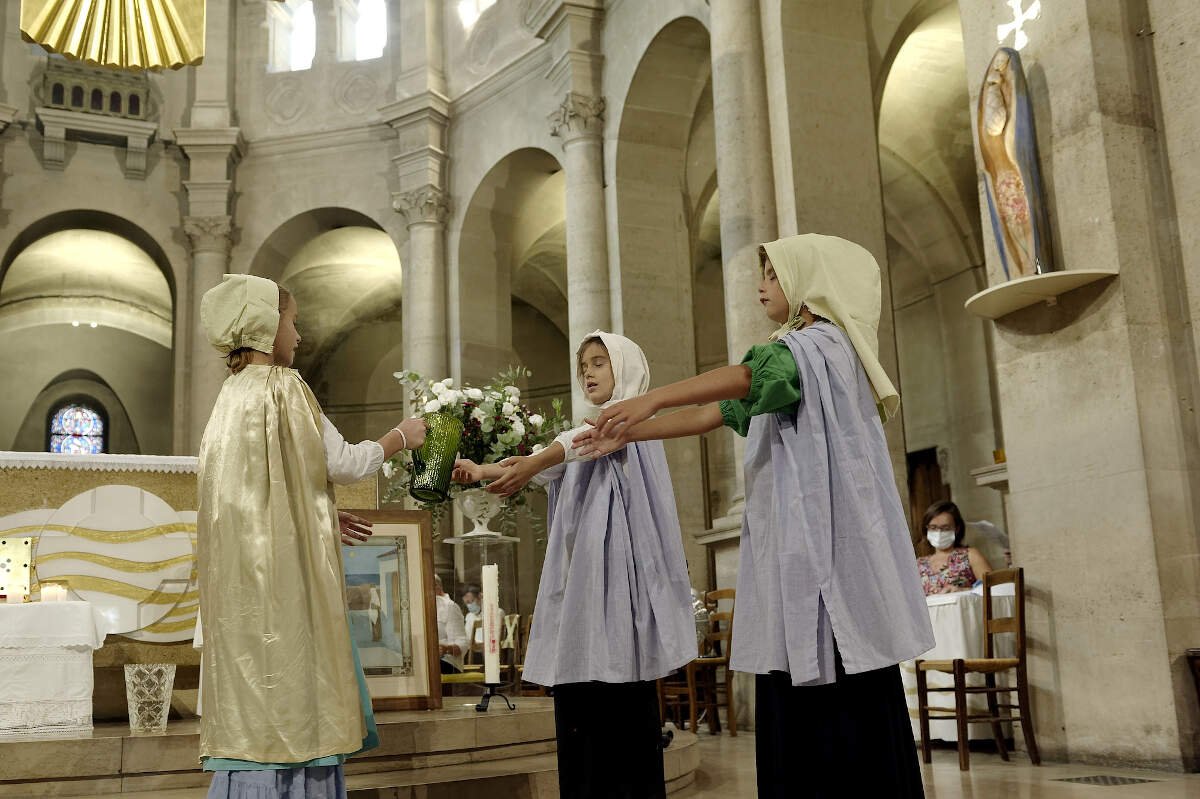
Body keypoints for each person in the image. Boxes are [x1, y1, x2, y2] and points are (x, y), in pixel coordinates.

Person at [574, 235, 935, 798]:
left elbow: (743, 378)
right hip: (806, 550)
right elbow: (715, 413)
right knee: (803, 679)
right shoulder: (799, 355)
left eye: (771, 272)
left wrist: (652, 397)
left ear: (807, 280)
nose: (759, 283)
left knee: (837, 688)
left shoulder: (820, 347)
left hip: (826, 555)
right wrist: (623, 430)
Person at [196, 274, 426, 799]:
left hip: (241, 589)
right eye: (291, 322)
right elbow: (342, 464)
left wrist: (317, 515)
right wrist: (400, 436)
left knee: (254, 695)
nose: (297, 336)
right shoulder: (285, 389)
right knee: (296, 689)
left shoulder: (226, 401)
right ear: (264, 325)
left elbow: (252, 495)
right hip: (286, 584)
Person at [451, 331, 695, 799]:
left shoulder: (634, 424)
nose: (588, 372)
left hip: (621, 595)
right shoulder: (592, 431)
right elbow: (545, 462)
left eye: (599, 362)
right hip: (584, 593)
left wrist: (531, 462)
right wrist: (486, 472)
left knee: (624, 708)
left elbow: (570, 445)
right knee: (583, 711)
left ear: (625, 368)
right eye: (584, 364)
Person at [916, 500, 993, 595]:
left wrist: (965, 591)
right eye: (933, 527)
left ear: (957, 528)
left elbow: (993, 588)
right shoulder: (919, 564)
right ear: (926, 528)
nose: (939, 532)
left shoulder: (970, 555)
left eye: (945, 528)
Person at [433, 575, 469, 673]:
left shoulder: (450, 607)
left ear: (437, 587)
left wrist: (446, 649)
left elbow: (462, 643)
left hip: (447, 662)